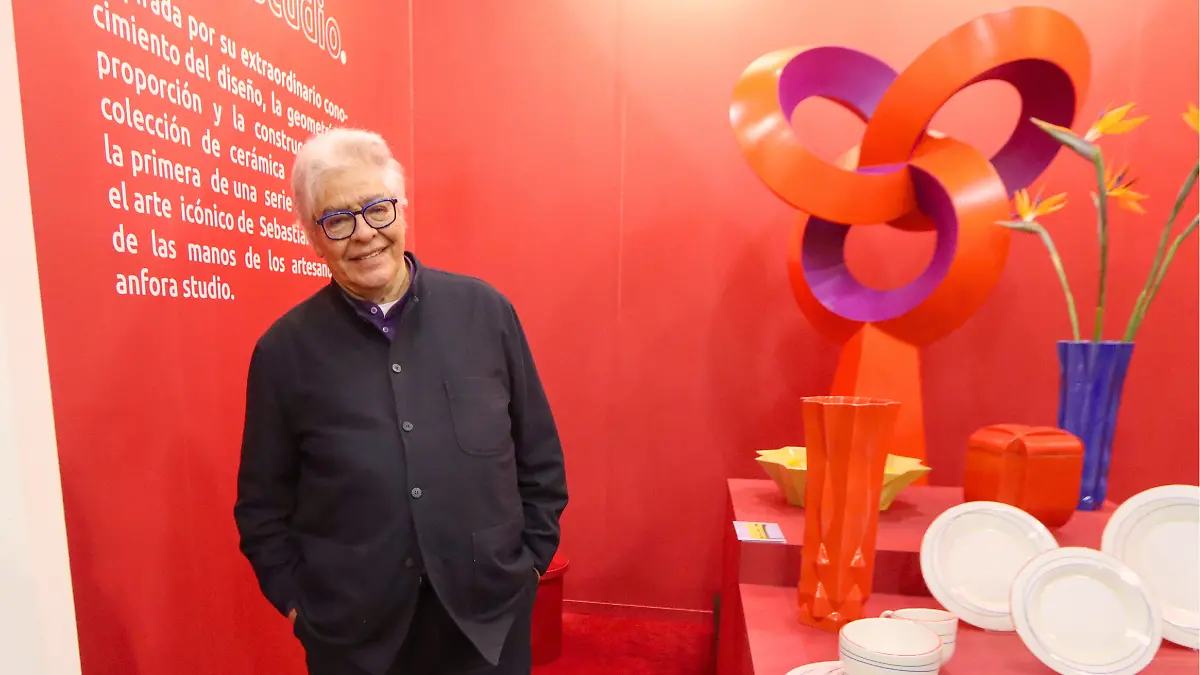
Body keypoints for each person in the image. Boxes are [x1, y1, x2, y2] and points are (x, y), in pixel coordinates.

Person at [234, 128, 568, 675]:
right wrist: (299, 606)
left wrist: (529, 565)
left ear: (402, 211)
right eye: (337, 220)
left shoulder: (487, 314)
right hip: (354, 641)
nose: (364, 234)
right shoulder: (282, 352)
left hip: (488, 623)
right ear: (314, 238)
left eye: (377, 209)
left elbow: (540, 460)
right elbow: (261, 508)